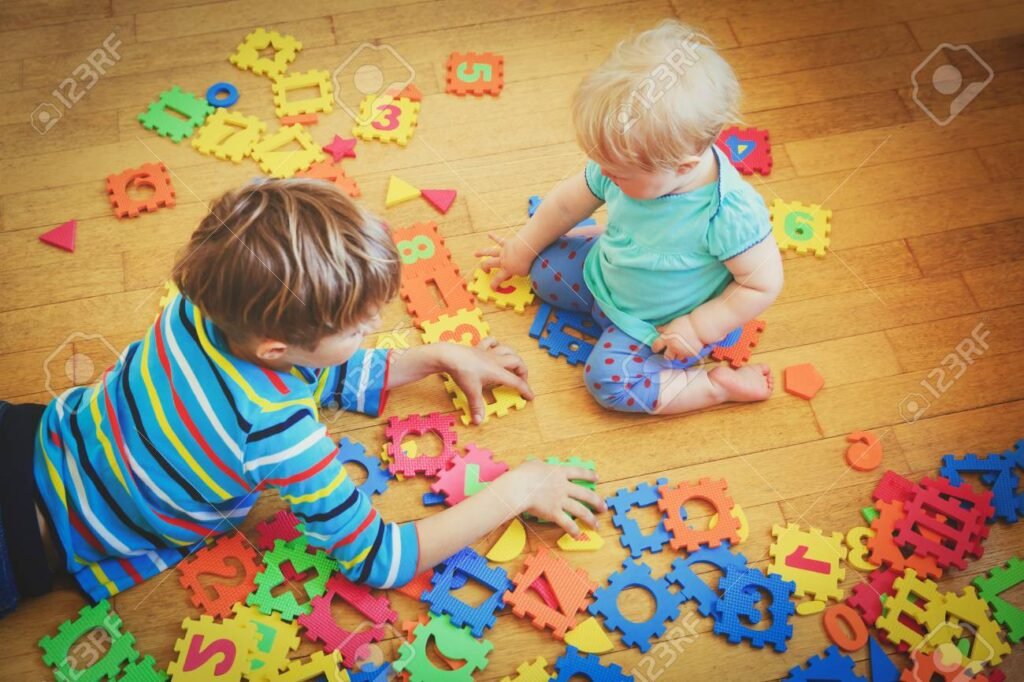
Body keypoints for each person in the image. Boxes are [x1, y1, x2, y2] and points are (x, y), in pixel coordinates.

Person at [0, 179, 605, 613]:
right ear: (273, 347)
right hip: (25, 537)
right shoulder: (276, 432)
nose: (374, 328)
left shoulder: (201, 304)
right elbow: (381, 560)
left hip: (28, 436)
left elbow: (304, 364)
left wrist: (429, 358)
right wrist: (519, 487)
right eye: (357, 329)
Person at [479, 20, 782, 415]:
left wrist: (697, 327)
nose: (604, 174)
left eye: (617, 173)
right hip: (604, 274)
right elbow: (568, 203)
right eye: (599, 161)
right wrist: (524, 244)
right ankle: (599, 251)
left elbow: (763, 284)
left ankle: (711, 388)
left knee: (609, 381)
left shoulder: (728, 214)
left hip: (656, 325)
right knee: (540, 271)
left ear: (682, 167)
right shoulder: (625, 163)